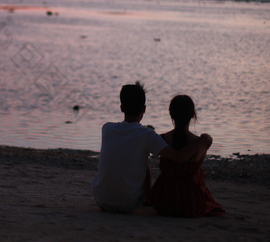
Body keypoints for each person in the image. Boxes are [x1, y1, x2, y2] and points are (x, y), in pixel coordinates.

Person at [93, 82, 212, 214]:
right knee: (143, 159)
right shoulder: (146, 135)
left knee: (141, 158)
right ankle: (147, 196)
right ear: (144, 109)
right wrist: (204, 140)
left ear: (121, 108)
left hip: (101, 200)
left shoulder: (107, 128)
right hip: (129, 204)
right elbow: (178, 157)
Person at [150, 94, 225, 217]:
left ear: (171, 114)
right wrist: (205, 139)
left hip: (163, 199)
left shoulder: (161, 139)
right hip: (191, 200)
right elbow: (205, 143)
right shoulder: (201, 142)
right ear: (192, 115)